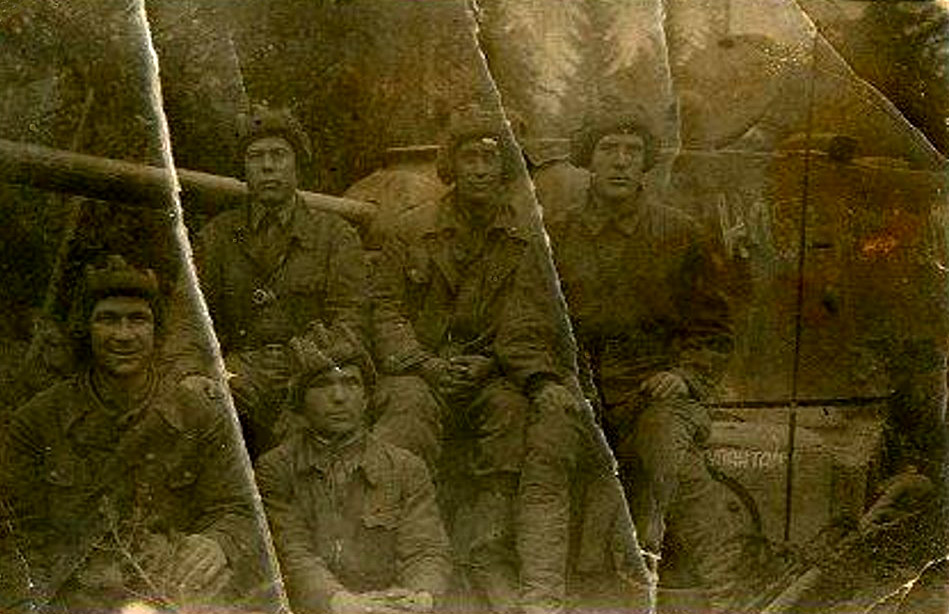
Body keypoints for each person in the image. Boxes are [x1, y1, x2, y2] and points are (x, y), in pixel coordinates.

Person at [370, 105, 584, 613]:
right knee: (405, 415)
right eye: (470, 158)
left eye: (492, 159)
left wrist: (490, 363)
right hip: (421, 370)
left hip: (495, 370)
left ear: (506, 167)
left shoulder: (529, 239)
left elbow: (534, 318)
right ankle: (400, 560)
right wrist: (423, 363)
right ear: (452, 165)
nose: (481, 170)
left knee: (511, 414)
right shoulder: (411, 229)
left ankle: (485, 555)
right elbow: (385, 310)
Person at [539, 110, 754, 611]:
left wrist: (685, 374)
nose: (620, 162)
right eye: (608, 150)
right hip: (580, 390)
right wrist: (550, 379)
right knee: (543, 450)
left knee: (669, 455)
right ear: (589, 160)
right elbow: (537, 319)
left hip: (652, 389)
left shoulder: (679, 232)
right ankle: (540, 594)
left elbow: (713, 328)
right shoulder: (558, 233)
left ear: (645, 164)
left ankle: (730, 589)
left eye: (632, 152)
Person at [0, 255, 277, 613]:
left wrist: (219, 542)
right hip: (71, 594)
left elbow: (238, 507)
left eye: (138, 319)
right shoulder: (38, 421)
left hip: (171, 590)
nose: (124, 335)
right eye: (108, 319)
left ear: (156, 331)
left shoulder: (198, 414)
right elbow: (15, 536)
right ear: (85, 329)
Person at [191, 105, 368, 459]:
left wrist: (307, 370)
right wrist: (210, 372)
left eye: (279, 155)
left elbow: (350, 320)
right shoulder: (217, 237)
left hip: (313, 373)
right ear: (243, 169)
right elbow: (190, 321)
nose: (268, 166)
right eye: (256, 157)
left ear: (297, 164)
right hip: (240, 373)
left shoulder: (335, 235)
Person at [255, 324, 451, 614]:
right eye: (323, 384)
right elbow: (293, 554)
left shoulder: (405, 467)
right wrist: (342, 603)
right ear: (299, 400)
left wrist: (421, 596)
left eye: (351, 383)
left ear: (366, 397)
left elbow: (426, 549)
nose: (339, 396)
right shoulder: (277, 468)